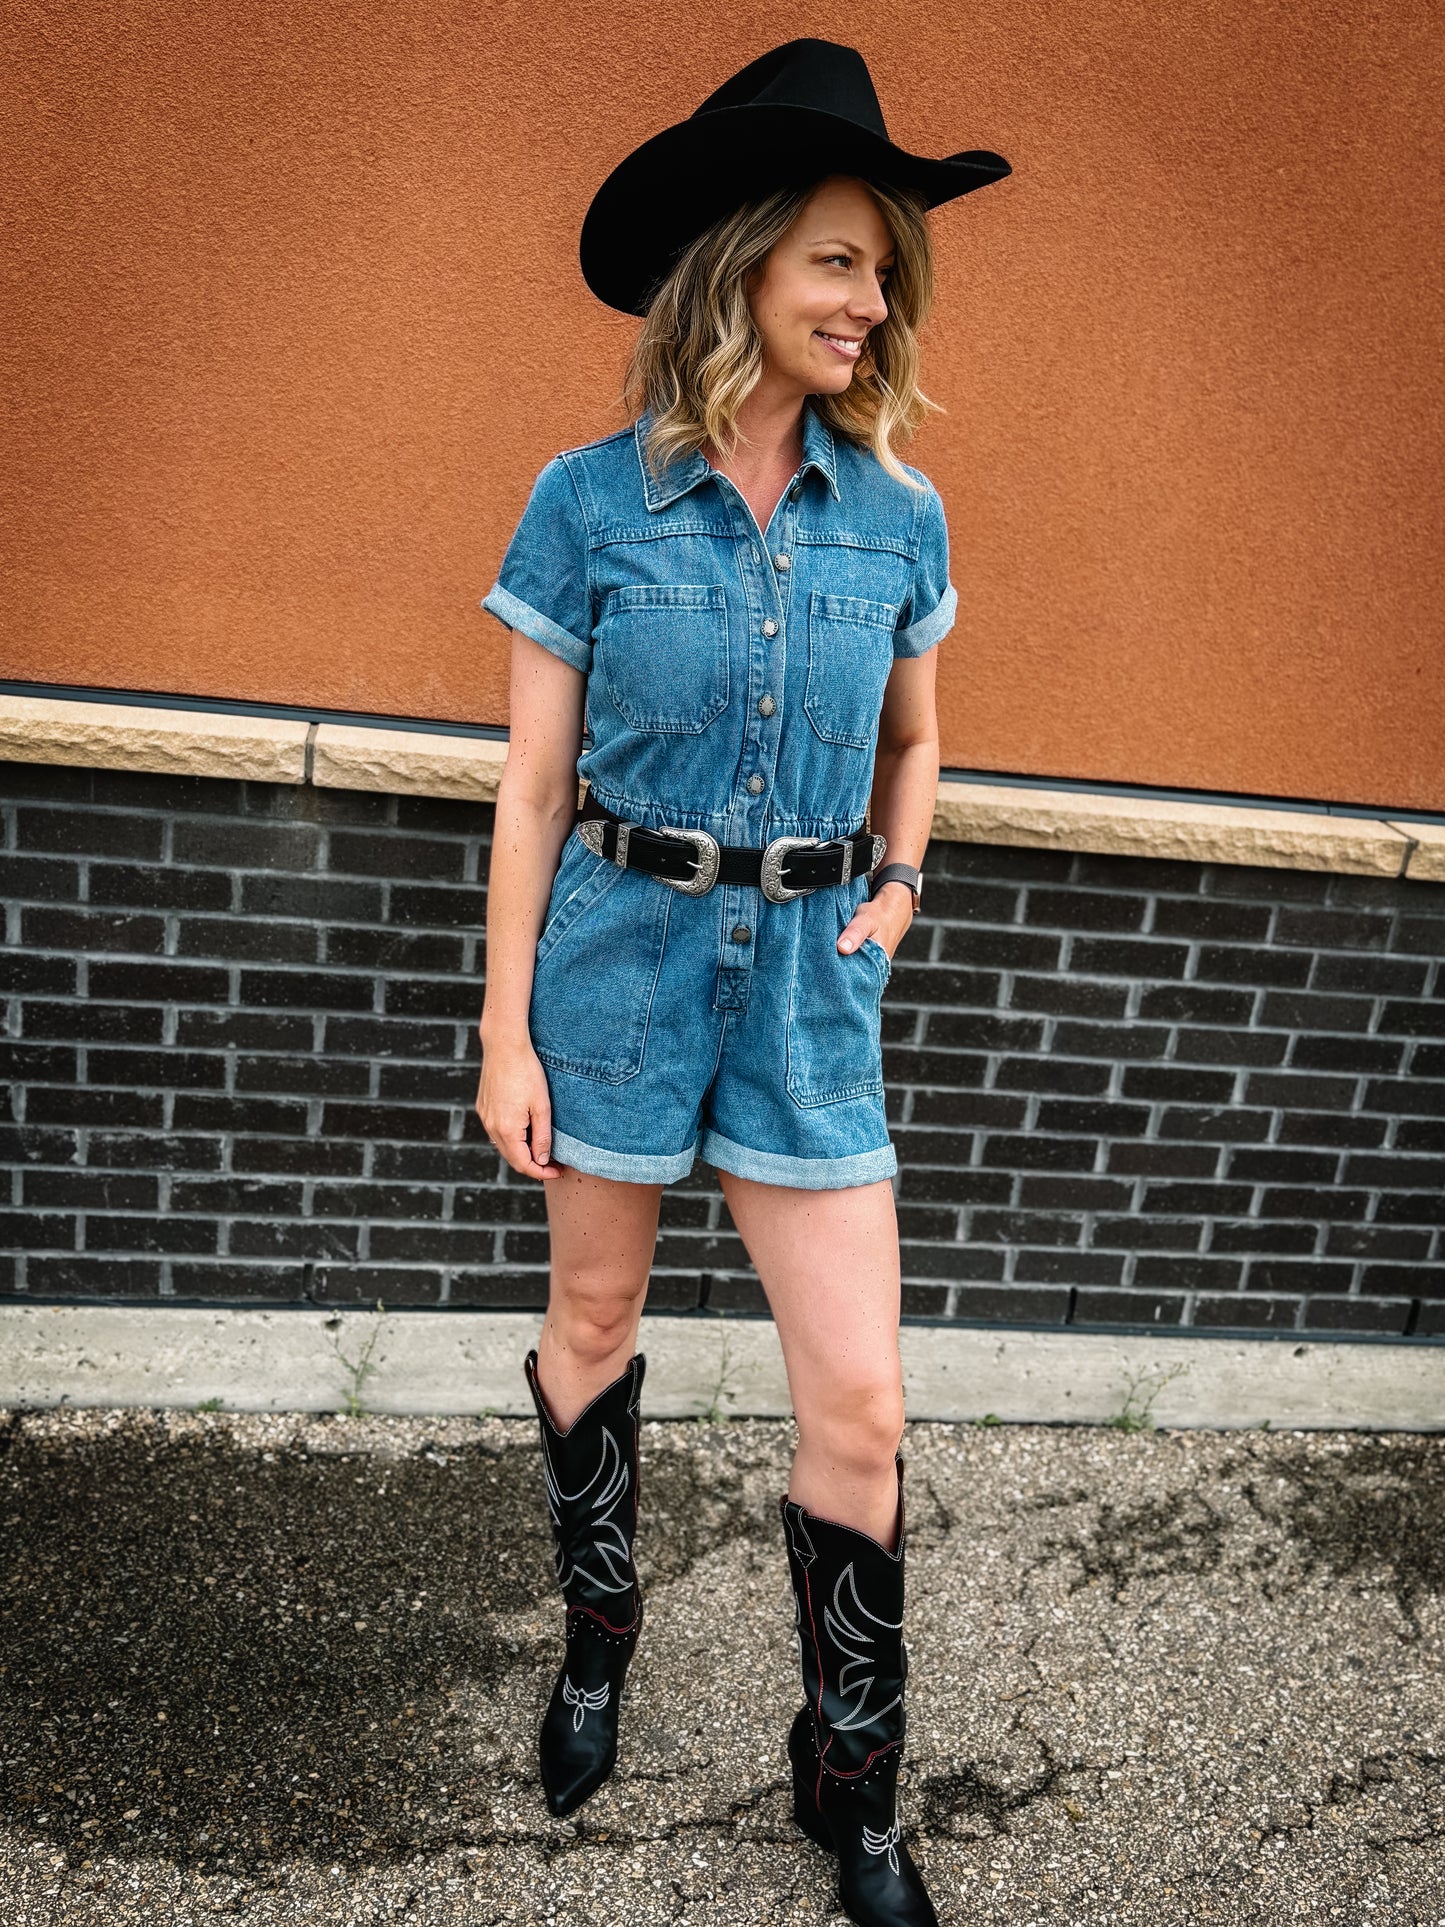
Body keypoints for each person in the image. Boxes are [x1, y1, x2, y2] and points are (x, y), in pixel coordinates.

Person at [476, 39, 1010, 1927]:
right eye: (838, 262)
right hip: (616, 968)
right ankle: (596, 1644)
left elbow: (914, 740)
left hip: (804, 991)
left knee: (860, 1403)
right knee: (594, 1323)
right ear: (742, 265)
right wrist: (503, 1028)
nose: (871, 301)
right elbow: (532, 789)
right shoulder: (588, 502)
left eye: (884, 271)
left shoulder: (898, 514)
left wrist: (898, 888)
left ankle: (849, 1780)